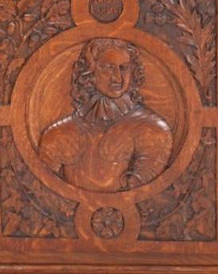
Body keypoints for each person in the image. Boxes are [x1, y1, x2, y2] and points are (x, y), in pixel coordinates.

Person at [38, 38, 173, 192]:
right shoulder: (59, 134)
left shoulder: (152, 129)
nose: (117, 78)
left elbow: (142, 197)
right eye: (108, 68)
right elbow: (44, 192)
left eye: (124, 68)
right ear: (89, 71)